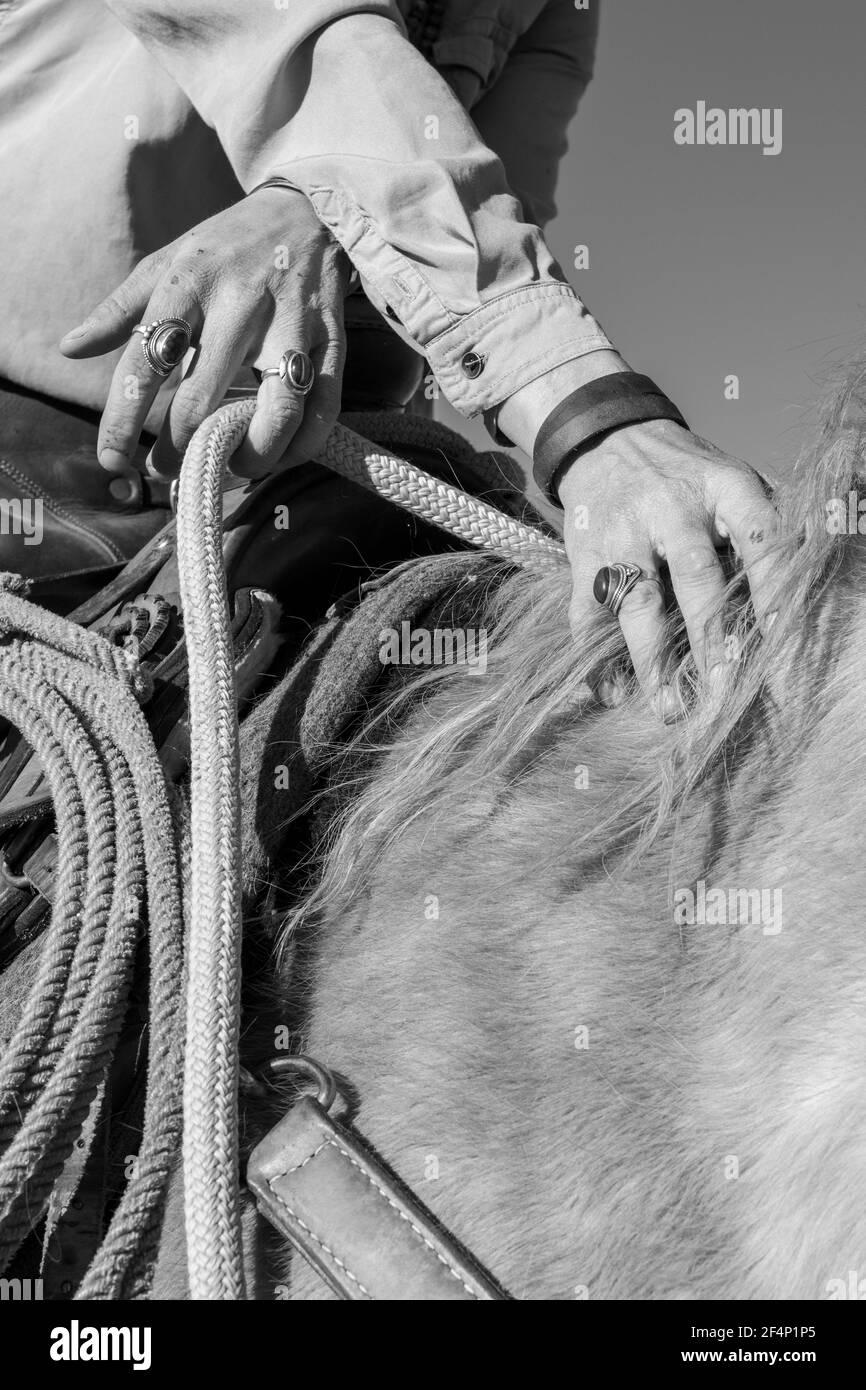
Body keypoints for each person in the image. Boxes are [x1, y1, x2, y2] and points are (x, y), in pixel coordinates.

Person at [0, 0, 779, 715]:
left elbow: (497, 202)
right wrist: (589, 414)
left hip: (314, 449)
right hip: (39, 429)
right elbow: (294, 42)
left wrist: (315, 208)